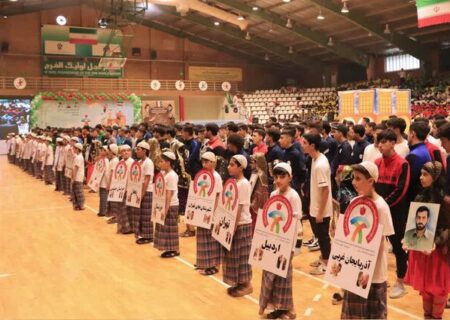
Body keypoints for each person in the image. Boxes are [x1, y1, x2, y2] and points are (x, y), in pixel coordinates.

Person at [341, 162, 395, 319]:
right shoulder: (354, 202)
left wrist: (367, 269)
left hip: (375, 272)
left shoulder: (381, 206)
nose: (353, 182)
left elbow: (380, 242)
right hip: (354, 268)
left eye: (358, 178)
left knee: (374, 313)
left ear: (371, 181)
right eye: (353, 178)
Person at [405, 161, 450, 319]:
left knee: (438, 290)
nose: (421, 178)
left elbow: (447, 228)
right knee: (425, 290)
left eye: (425, 174)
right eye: (421, 174)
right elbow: (414, 223)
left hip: (438, 253)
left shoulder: (445, 202)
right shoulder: (420, 196)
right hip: (422, 251)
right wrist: (408, 238)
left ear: (435, 177)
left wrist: (435, 242)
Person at [258, 162, 301, 320]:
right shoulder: (273, 195)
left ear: (290, 177)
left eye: (282, 176)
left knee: (284, 278)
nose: (278, 180)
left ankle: (289, 309)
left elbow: (295, 224)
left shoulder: (293, 196)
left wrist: (291, 248)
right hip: (273, 242)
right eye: (276, 177)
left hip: (286, 244)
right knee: (272, 277)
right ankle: (278, 307)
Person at [375, 129, 411, 299]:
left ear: (393, 143)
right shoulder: (376, 162)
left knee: (398, 248)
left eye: (383, 142)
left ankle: (401, 282)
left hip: (396, 212)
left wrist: (383, 205)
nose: (380, 145)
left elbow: (401, 190)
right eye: (378, 142)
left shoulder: (402, 164)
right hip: (378, 211)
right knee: (377, 245)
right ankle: (380, 278)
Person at [223, 155, 253, 298]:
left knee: (242, 257)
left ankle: (247, 285)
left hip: (241, 224)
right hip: (233, 223)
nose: (229, 167)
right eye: (229, 164)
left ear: (240, 167)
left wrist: (233, 228)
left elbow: (240, 208)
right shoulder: (234, 182)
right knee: (234, 256)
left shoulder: (244, 184)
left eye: (232, 165)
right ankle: (239, 283)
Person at [196, 152, 223, 276]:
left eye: (207, 161)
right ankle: (204, 262)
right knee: (203, 238)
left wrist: (213, 212)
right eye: (203, 161)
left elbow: (217, 196)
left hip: (212, 212)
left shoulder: (216, 177)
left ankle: (213, 266)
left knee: (211, 240)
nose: (204, 164)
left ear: (213, 163)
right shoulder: (203, 175)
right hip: (203, 209)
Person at [154, 150, 180, 258]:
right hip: (163, 203)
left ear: (168, 163)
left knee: (171, 228)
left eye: (162, 161)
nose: (160, 163)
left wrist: (165, 209)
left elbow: (169, 193)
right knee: (165, 228)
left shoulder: (172, 176)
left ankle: (175, 249)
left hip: (171, 204)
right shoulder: (164, 174)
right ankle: (169, 248)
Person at [132, 141, 154, 245]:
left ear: (145, 151)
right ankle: (142, 234)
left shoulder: (148, 162)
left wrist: (141, 194)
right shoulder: (140, 162)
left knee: (146, 214)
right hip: (139, 190)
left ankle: (148, 236)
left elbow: (147, 180)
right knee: (140, 214)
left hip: (147, 191)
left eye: (138, 149)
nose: (136, 151)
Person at [406, 121, 432, 202]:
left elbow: (408, 182)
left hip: (413, 198)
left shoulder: (414, 155)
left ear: (412, 134)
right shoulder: (424, 150)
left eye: (408, 133)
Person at [116, 145, 135, 234]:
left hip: (129, 188)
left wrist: (127, 189)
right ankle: (123, 227)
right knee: (121, 209)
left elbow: (132, 177)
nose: (126, 152)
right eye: (123, 151)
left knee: (127, 209)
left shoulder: (132, 162)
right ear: (121, 153)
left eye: (128, 150)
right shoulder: (120, 162)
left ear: (131, 152)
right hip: (120, 188)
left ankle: (129, 228)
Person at [249, 153, 269, 233]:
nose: (250, 164)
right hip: (251, 202)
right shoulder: (254, 172)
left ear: (258, 163)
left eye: (252, 162)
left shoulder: (261, 175)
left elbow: (261, 193)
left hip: (256, 206)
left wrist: (253, 203)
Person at [105, 144, 119, 223]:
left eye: (109, 151)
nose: (108, 152)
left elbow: (112, 173)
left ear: (112, 151)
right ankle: (114, 216)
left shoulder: (115, 160)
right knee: (111, 201)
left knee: (114, 202)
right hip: (111, 183)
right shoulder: (113, 160)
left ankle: (116, 217)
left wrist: (109, 184)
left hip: (113, 184)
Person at [97, 146, 110, 218]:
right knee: (101, 196)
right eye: (101, 150)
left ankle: (103, 211)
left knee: (103, 197)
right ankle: (101, 210)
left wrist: (108, 182)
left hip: (104, 181)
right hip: (101, 181)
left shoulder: (106, 160)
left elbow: (107, 172)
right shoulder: (101, 159)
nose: (101, 151)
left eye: (103, 150)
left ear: (106, 152)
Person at [71, 143, 85, 211]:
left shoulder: (79, 157)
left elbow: (76, 168)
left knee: (79, 192)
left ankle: (81, 205)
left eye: (74, 148)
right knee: (75, 191)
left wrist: (73, 178)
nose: (73, 149)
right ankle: (76, 205)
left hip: (78, 177)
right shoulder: (77, 156)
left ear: (77, 149)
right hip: (76, 176)